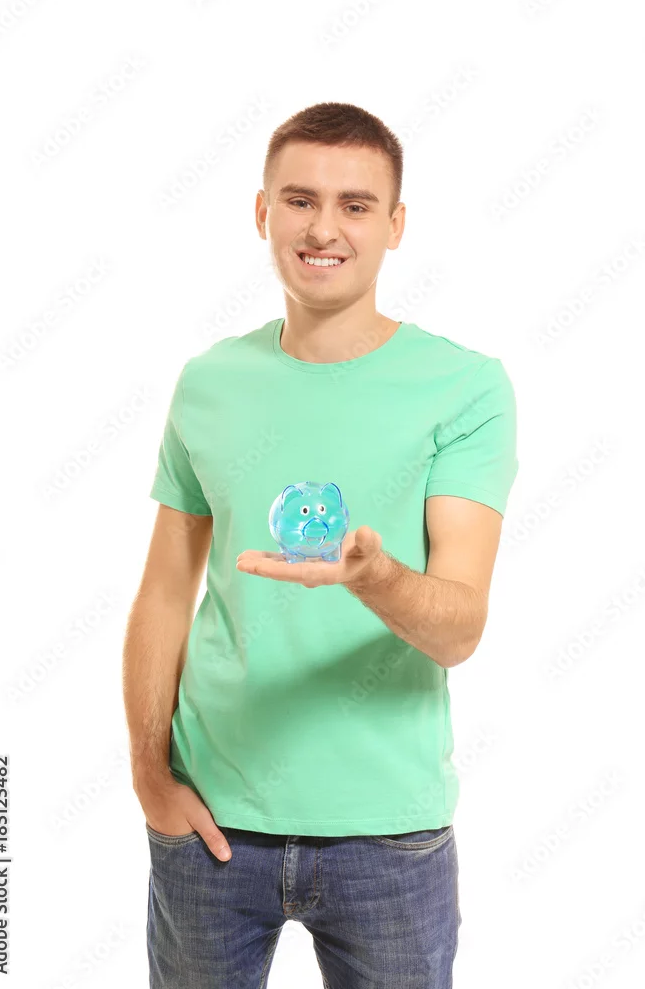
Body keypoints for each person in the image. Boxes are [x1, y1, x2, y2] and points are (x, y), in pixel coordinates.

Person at [122, 101, 519, 989]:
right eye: (300, 200)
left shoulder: (464, 388)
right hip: (210, 825)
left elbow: (458, 629)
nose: (323, 228)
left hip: (389, 836)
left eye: (355, 205)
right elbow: (163, 592)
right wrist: (150, 776)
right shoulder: (210, 382)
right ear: (263, 212)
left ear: (394, 225)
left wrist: (374, 577)